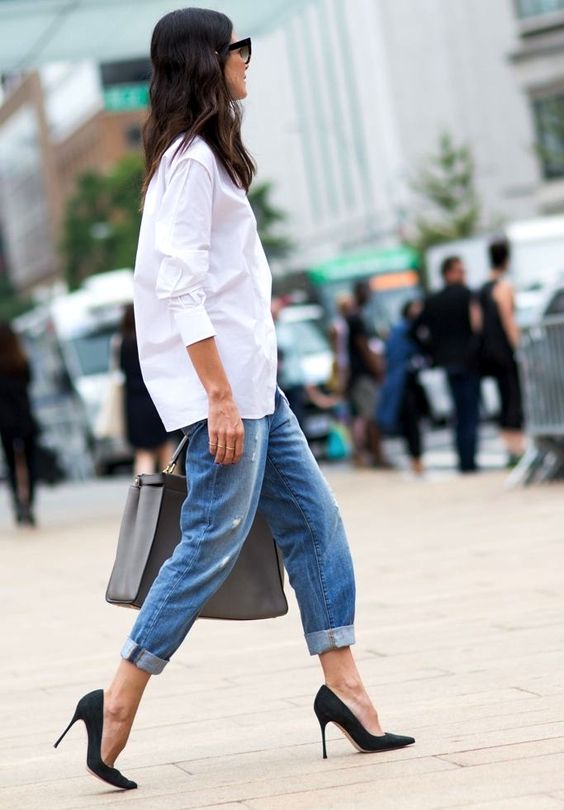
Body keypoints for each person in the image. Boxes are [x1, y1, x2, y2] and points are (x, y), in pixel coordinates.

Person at [54, 8, 414, 790]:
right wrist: (216, 395)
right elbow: (180, 287)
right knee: (210, 543)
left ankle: (345, 690)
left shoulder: (205, 161)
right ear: (203, 63)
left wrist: (240, 386)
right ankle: (115, 699)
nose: (246, 59)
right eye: (234, 49)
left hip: (257, 390)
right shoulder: (186, 163)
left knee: (315, 524)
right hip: (228, 396)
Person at [414, 256, 482, 473]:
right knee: (470, 411)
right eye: (461, 271)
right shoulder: (468, 295)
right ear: (449, 272)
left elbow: (414, 329)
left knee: (458, 413)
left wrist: (431, 351)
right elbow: (478, 328)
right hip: (469, 361)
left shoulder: (432, 300)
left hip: (447, 363)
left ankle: (463, 459)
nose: (464, 276)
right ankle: (469, 461)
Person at [479, 239, 525, 465]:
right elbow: (508, 317)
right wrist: (518, 347)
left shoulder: (481, 288)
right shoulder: (504, 286)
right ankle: (516, 449)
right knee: (513, 396)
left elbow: (476, 323)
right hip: (504, 350)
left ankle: (509, 448)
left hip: (488, 351)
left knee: (503, 397)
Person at [119, 304, 175, 475]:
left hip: (134, 405)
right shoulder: (149, 341)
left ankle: (144, 495)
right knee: (166, 450)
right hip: (155, 400)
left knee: (144, 454)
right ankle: (173, 495)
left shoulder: (121, 343)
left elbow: (119, 372)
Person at [377, 301, 426, 476]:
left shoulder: (402, 330)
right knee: (411, 422)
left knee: (411, 423)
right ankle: (416, 460)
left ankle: (416, 460)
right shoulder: (404, 331)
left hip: (405, 382)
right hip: (403, 383)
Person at [346, 281, 388, 467]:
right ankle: (377, 456)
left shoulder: (352, 317)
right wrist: (376, 369)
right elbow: (363, 346)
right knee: (371, 416)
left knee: (363, 416)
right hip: (362, 374)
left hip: (356, 375)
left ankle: (372, 455)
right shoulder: (356, 318)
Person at [0, 322, 38, 526]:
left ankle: (17, 502)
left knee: (12, 464)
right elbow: (29, 384)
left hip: (5, 422)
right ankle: (29, 504)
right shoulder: (21, 362)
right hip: (25, 418)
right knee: (30, 464)